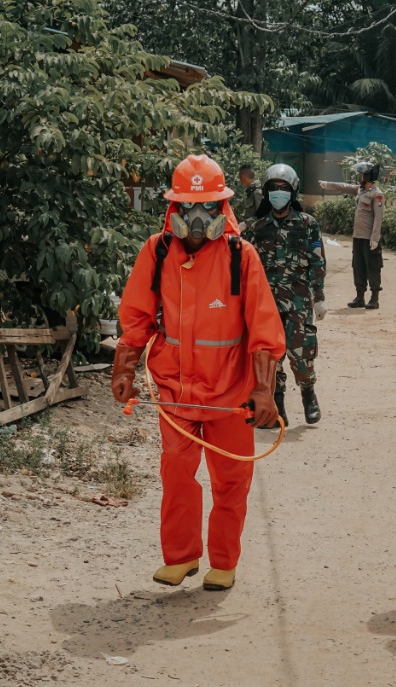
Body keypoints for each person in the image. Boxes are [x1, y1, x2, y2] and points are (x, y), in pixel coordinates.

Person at [112, 154, 286, 591]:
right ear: (173, 208)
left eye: (207, 207)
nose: (196, 217)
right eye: (188, 207)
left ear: (220, 208)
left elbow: (264, 327)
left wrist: (264, 391)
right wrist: (125, 367)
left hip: (229, 393)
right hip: (175, 389)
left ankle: (223, 562)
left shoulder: (239, 256)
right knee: (175, 472)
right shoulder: (157, 251)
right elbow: (136, 315)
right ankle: (181, 556)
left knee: (231, 480)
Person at [242, 163, 327, 427]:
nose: (279, 193)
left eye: (284, 189)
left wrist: (319, 296)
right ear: (266, 193)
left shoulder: (307, 224)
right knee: (271, 357)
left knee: (302, 354)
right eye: (274, 189)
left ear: (294, 191)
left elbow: (317, 261)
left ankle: (308, 393)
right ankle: (277, 406)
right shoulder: (257, 228)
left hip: (299, 301)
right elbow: (246, 266)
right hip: (266, 304)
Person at [319, 162, 384, 309]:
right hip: (358, 237)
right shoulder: (360, 191)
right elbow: (344, 187)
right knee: (358, 267)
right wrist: (327, 184)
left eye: (362, 174)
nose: (360, 176)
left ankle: (374, 299)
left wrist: (375, 239)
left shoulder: (377, 194)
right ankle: (359, 297)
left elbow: (378, 218)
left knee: (372, 268)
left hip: (369, 239)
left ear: (367, 176)